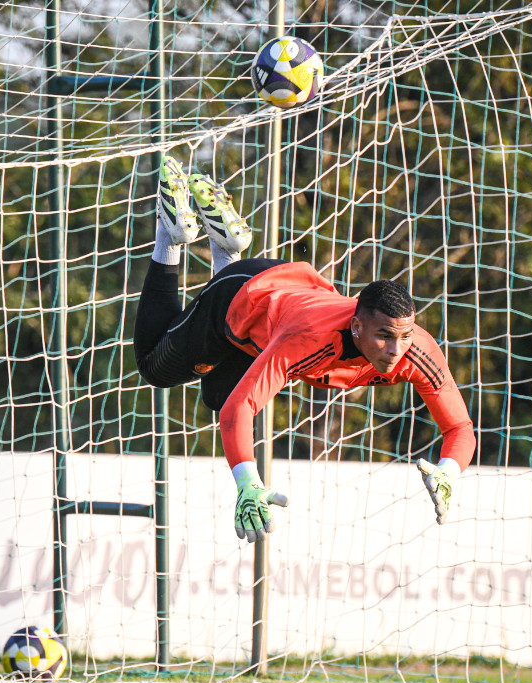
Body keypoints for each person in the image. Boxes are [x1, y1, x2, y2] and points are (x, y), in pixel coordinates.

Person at [134, 156, 475, 543]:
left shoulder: (416, 348)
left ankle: (225, 245)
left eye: (405, 335)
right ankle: (172, 235)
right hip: (239, 298)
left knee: (215, 393)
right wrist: (247, 484)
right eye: (385, 336)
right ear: (357, 326)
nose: (397, 350)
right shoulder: (309, 340)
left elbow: (460, 427)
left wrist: (449, 471)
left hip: (280, 304)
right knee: (154, 368)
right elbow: (240, 409)